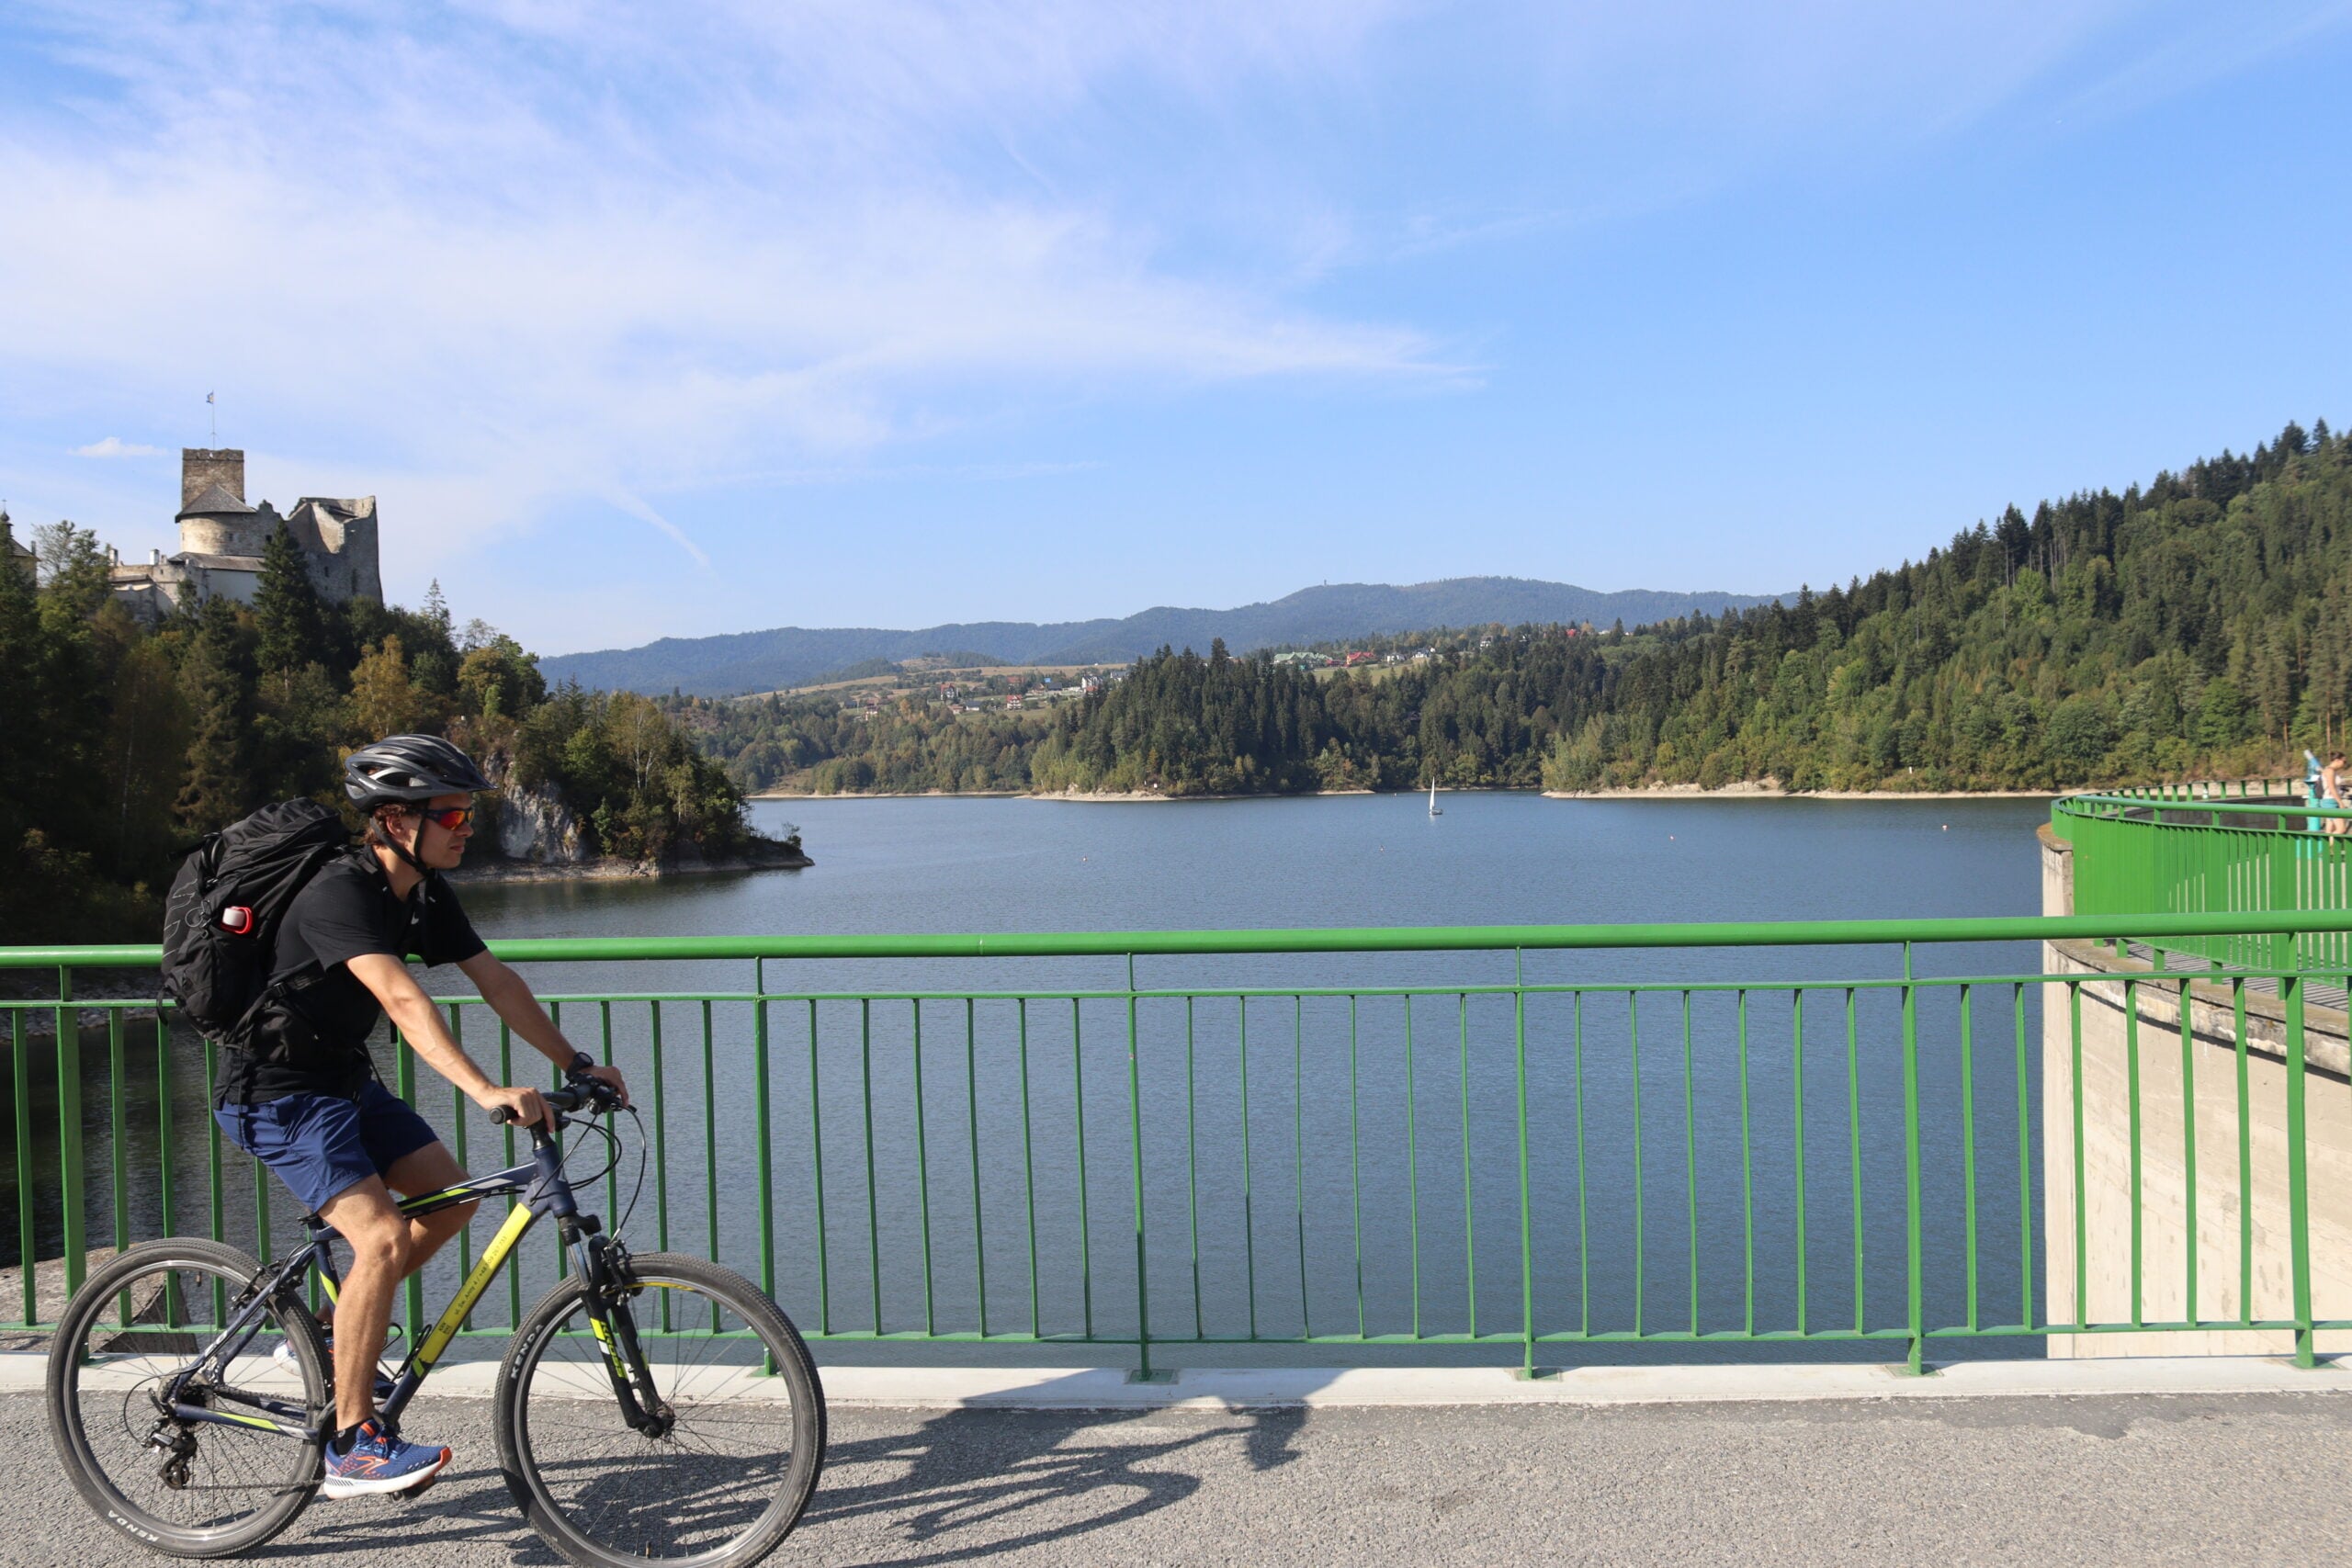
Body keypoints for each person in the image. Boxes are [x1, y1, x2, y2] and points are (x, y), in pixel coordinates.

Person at [211, 735, 629, 1498]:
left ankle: (342, 1339)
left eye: (468, 811)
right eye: (452, 812)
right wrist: (483, 1089)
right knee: (377, 1237)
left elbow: (496, 981)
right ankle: (349, 1443)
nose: (466, 825)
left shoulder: (425, 893)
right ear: (398, 819)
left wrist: (576, 1064)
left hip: (343, 1083)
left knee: (455, 1197)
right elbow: (403, 1000)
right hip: (276, 1094)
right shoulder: (338, 892)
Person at [2324, 751, 2349, 837]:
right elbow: (2331, 787)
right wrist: (2340, 802)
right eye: (2344, 762)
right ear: (2337, 760)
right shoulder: (2330, 771)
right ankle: (2331, 848)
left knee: (2330, 829)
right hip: (2330, 801)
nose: (2344, 764)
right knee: (2341, 829)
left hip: (2330, 801)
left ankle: (2329, 849)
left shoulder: (2331, 770)